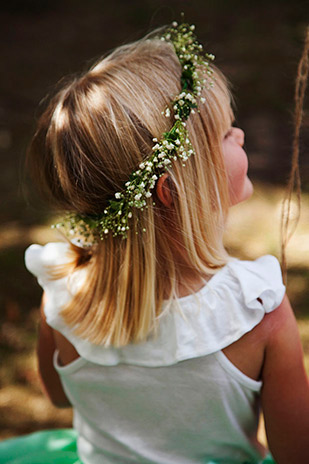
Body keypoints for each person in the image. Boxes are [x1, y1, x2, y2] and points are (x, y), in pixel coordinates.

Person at [19, 21, 309, 464]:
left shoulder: (62, 292)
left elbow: (59, 395)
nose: (241, 136)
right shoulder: (258, 309)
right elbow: (296, 453)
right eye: (225, 134)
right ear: (171, 189)